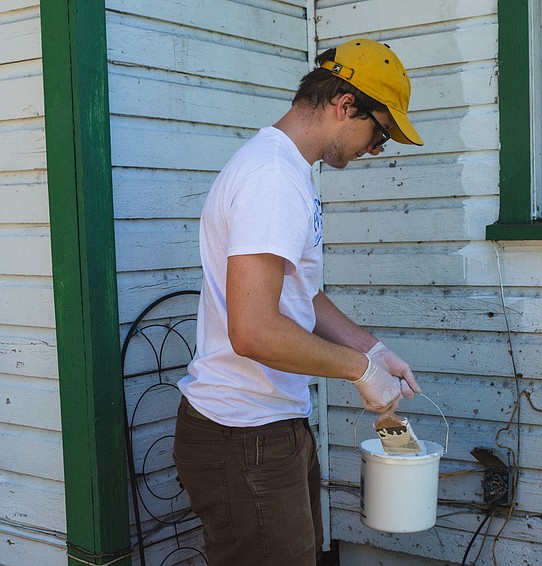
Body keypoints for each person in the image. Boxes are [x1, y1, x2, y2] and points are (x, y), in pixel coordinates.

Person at [173, 38, 424, 566]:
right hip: (244, 435)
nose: (375, 150)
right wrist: (359, 371)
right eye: (379, 134)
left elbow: (300, 293)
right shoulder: (272, 179)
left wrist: (372, 349)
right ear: (345, 105)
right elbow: (254, 331)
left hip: (269, 426)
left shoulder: (287, 171)